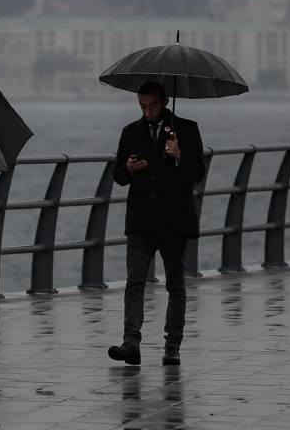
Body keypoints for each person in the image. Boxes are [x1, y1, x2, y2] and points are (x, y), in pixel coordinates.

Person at [107, 81, 205, 366]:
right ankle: (131, 344)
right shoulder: (130, 132)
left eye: (152, 106)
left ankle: (172, 346)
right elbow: (118, 175)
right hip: (140, 220)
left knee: (175, 284)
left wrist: (180, 156)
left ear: (163, 102)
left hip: (174, 220)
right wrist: (128, 168)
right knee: (134, 282)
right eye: (142, 106)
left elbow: (197, 172)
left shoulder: (186, 129)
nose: (148, 111)